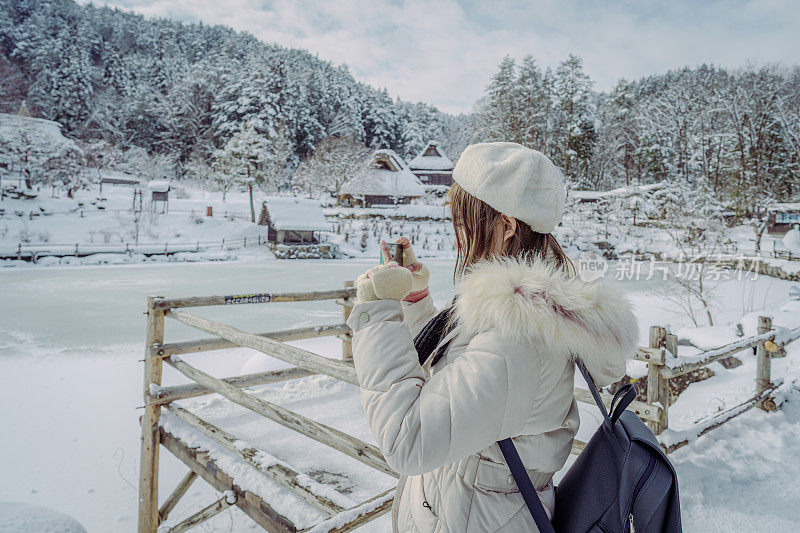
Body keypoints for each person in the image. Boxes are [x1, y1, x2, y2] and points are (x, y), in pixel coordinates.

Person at [346, 142, 639, 532]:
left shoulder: (519, 339)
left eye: (463, 224)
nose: (457, 240)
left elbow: (408, 439)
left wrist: (379, 312)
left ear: (506, 227)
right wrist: (415, 303)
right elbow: (455, 384)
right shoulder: (521, 316)